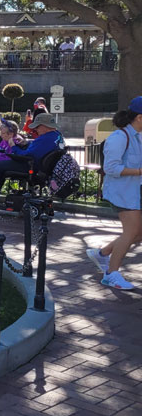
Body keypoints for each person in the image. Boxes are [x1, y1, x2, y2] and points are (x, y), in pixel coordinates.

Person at [86, 97, 142, 290]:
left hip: (134, 192)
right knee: (132, 232)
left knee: (138, 233)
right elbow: (111, 168)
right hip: (122, 193)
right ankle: (111, 274)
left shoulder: (139, 136)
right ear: (139, 118)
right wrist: (139, 171)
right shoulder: (119, 138)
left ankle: (102, 254)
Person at [0, 112, 63, 204]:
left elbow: (24, 155)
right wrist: (27, 143)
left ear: (44, 126)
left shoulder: (45, 139)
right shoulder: (57, 136)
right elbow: (38, 149)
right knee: (0, 167)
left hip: (28, 165)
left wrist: (13, 146)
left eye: (37, 127)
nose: (35, 129)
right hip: (38, 166)